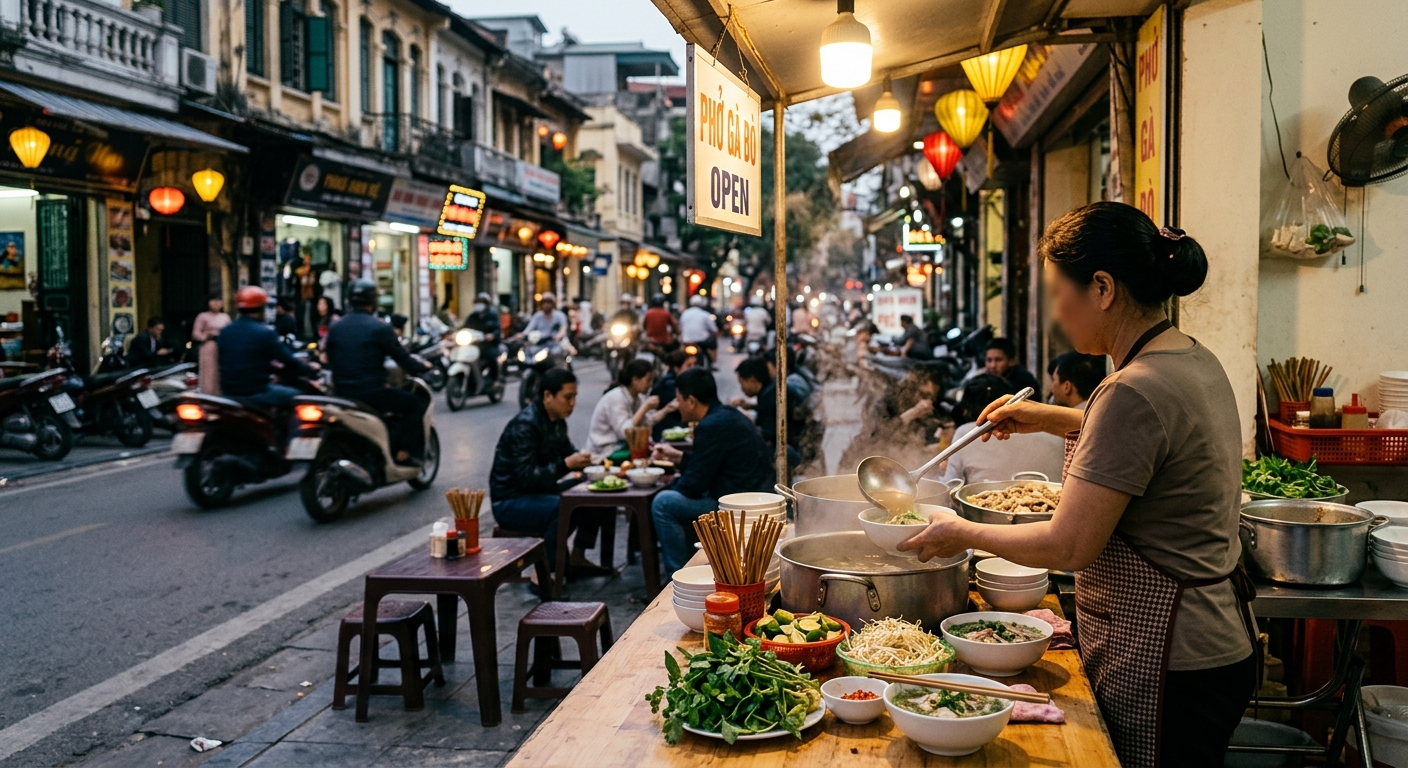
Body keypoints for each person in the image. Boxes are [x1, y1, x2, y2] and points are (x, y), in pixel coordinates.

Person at [898, 202, 1255, 767]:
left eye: (1058, 293)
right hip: (1216, 640)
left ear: (1103, 288)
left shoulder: (1130, 391)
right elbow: (1153, 444)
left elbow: (1069, 545)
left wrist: (959, 531)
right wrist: (1053, 416)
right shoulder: (1190, 358)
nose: (1057, 314)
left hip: (1170, 656)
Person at [651, 368, 775, 573]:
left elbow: (693, 486)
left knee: (663, 502)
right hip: (748, 495)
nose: (677, 406)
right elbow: (711, 463)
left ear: (691, 401)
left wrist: (669, 484)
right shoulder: (726, 415)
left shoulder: (710, 426)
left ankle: (678, 575)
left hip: (739, 509)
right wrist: (678, 457)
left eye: (678, 400)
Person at [489, 367, 601, 572]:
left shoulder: (558, 422)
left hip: (540, 491)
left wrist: (589, 462)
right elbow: (527, 477)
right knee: (562, 507)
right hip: (510, 500)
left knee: (593, 490)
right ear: (547, 396)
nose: (572, 403)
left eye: (574, 396)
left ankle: (578, 556)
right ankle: (544, 574)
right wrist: (566, 464)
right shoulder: (526, 425)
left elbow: (570, 453)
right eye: (567, 397)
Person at [324, 280, 432, 465]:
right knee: (413, 403)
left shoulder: (336, 327)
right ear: (373, 301)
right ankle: (404, 452)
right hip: (371, 393)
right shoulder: (380, 328)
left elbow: (329, 358)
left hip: (341, 393)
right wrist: (422, 367)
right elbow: (403, 359)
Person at [937, 374, 1065, 484]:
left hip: (985, 510)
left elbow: (950, 488)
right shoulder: (1055, 431)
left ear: (967, 410)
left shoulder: (966, 433)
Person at [217, 287, 317, 410]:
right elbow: (288, 360)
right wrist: (308, 369)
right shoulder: (264, 332)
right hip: (256, 392)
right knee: (299, 398)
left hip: (229, 392)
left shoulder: (226, 332)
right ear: (261, 308)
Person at [585, 358, 663, 458]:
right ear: (635, 380)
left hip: (622, 446)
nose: (650, 384)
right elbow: (625, 433)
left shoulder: (639, 397)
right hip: (605, 450)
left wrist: (667, 409)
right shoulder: (616, 397)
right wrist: (645, 407)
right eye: (648, 380)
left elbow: (647, 422)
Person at [649, 349, 694, 439]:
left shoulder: (678, 382)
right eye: (688, 365)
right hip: (666, 427)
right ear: (677, 369)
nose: (692, 368)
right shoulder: (669, 385)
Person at [192, 294, 231, 394]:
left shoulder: (225, 317)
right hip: (208, 347)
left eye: (219, 301)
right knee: (208, 374)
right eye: (213, 300)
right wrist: (207, 335)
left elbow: (231, 332)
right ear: (208, 303)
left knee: (221, 373)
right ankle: (208, 399)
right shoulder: (202, 316)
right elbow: (195, 334)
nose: (216, 303)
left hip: (223, 348)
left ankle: (221, 398)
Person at [463, 292, 503, 378]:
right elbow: (464, 327)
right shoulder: (472, 317)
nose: (478, 305)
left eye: (481, 303)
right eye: (477, 303)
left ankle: (494, 379)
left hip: (489, 345)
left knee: (492, 357)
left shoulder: (492, 315)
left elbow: (498, 330)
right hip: (474, 345)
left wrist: (492, 336)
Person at [679, 295, 717, 365]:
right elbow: (714, 329)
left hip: (686, 340)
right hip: (701, 340)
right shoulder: (705, 314)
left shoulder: (684, 314)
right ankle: (712, 360)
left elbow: (680, 327)